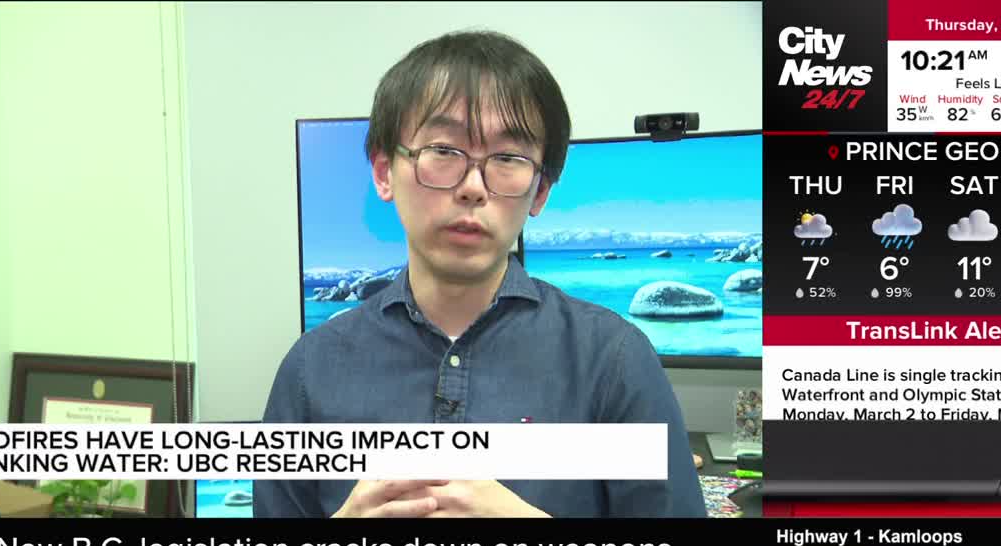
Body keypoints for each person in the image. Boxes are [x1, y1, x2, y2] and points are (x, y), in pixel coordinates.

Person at [253, 30, 705, 519]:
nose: (472, 187)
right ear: (385, 172)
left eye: (508, 158)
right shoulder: (309, 371)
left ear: (539, 193)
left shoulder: (613, 361)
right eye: (444, 151)